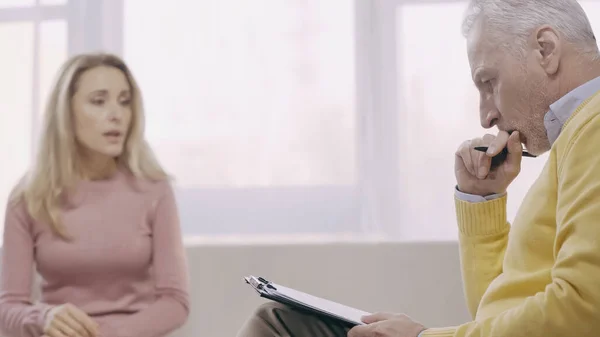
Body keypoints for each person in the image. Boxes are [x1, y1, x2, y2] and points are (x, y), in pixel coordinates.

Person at [235, 0, 600, 336]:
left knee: (280, 325)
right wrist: (481, 199)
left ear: (546, 50)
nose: (486, 116)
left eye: (489, 82)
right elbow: (496, 312)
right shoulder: (575, 139)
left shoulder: (594, 127)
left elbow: (584, 310)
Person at [0, 53, 190, 337]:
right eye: (99, 101)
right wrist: (44, 318)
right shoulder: (28, 197)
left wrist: (110, 335)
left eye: (125, 102)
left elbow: (175, 301)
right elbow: (8, 307)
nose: (116, 114)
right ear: (66, 112)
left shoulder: (154, 189)